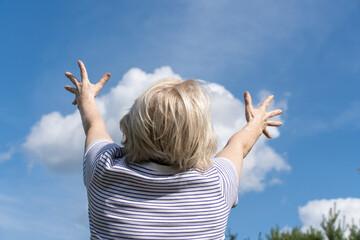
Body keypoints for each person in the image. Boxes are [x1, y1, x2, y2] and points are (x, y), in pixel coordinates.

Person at [65, 60, 282, 240]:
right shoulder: (218, 183)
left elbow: (94, 124)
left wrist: (86, 98)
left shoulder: (103, 170)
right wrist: (256, 122)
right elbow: (239, 145)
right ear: (201, 136)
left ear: (131, 125)